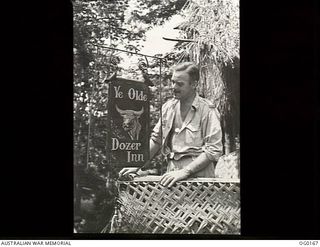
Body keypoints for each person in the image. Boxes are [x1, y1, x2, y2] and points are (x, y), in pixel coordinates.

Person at [119, 62, 223, 187]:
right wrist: (137, 165)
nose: (174, 87)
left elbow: (213, 150)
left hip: (200, 181)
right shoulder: (168, 108)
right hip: (172, 179)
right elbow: (156, 140)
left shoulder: (208, 110)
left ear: (194, 84)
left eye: (180, 84)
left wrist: (185, 172)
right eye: (173, 82)